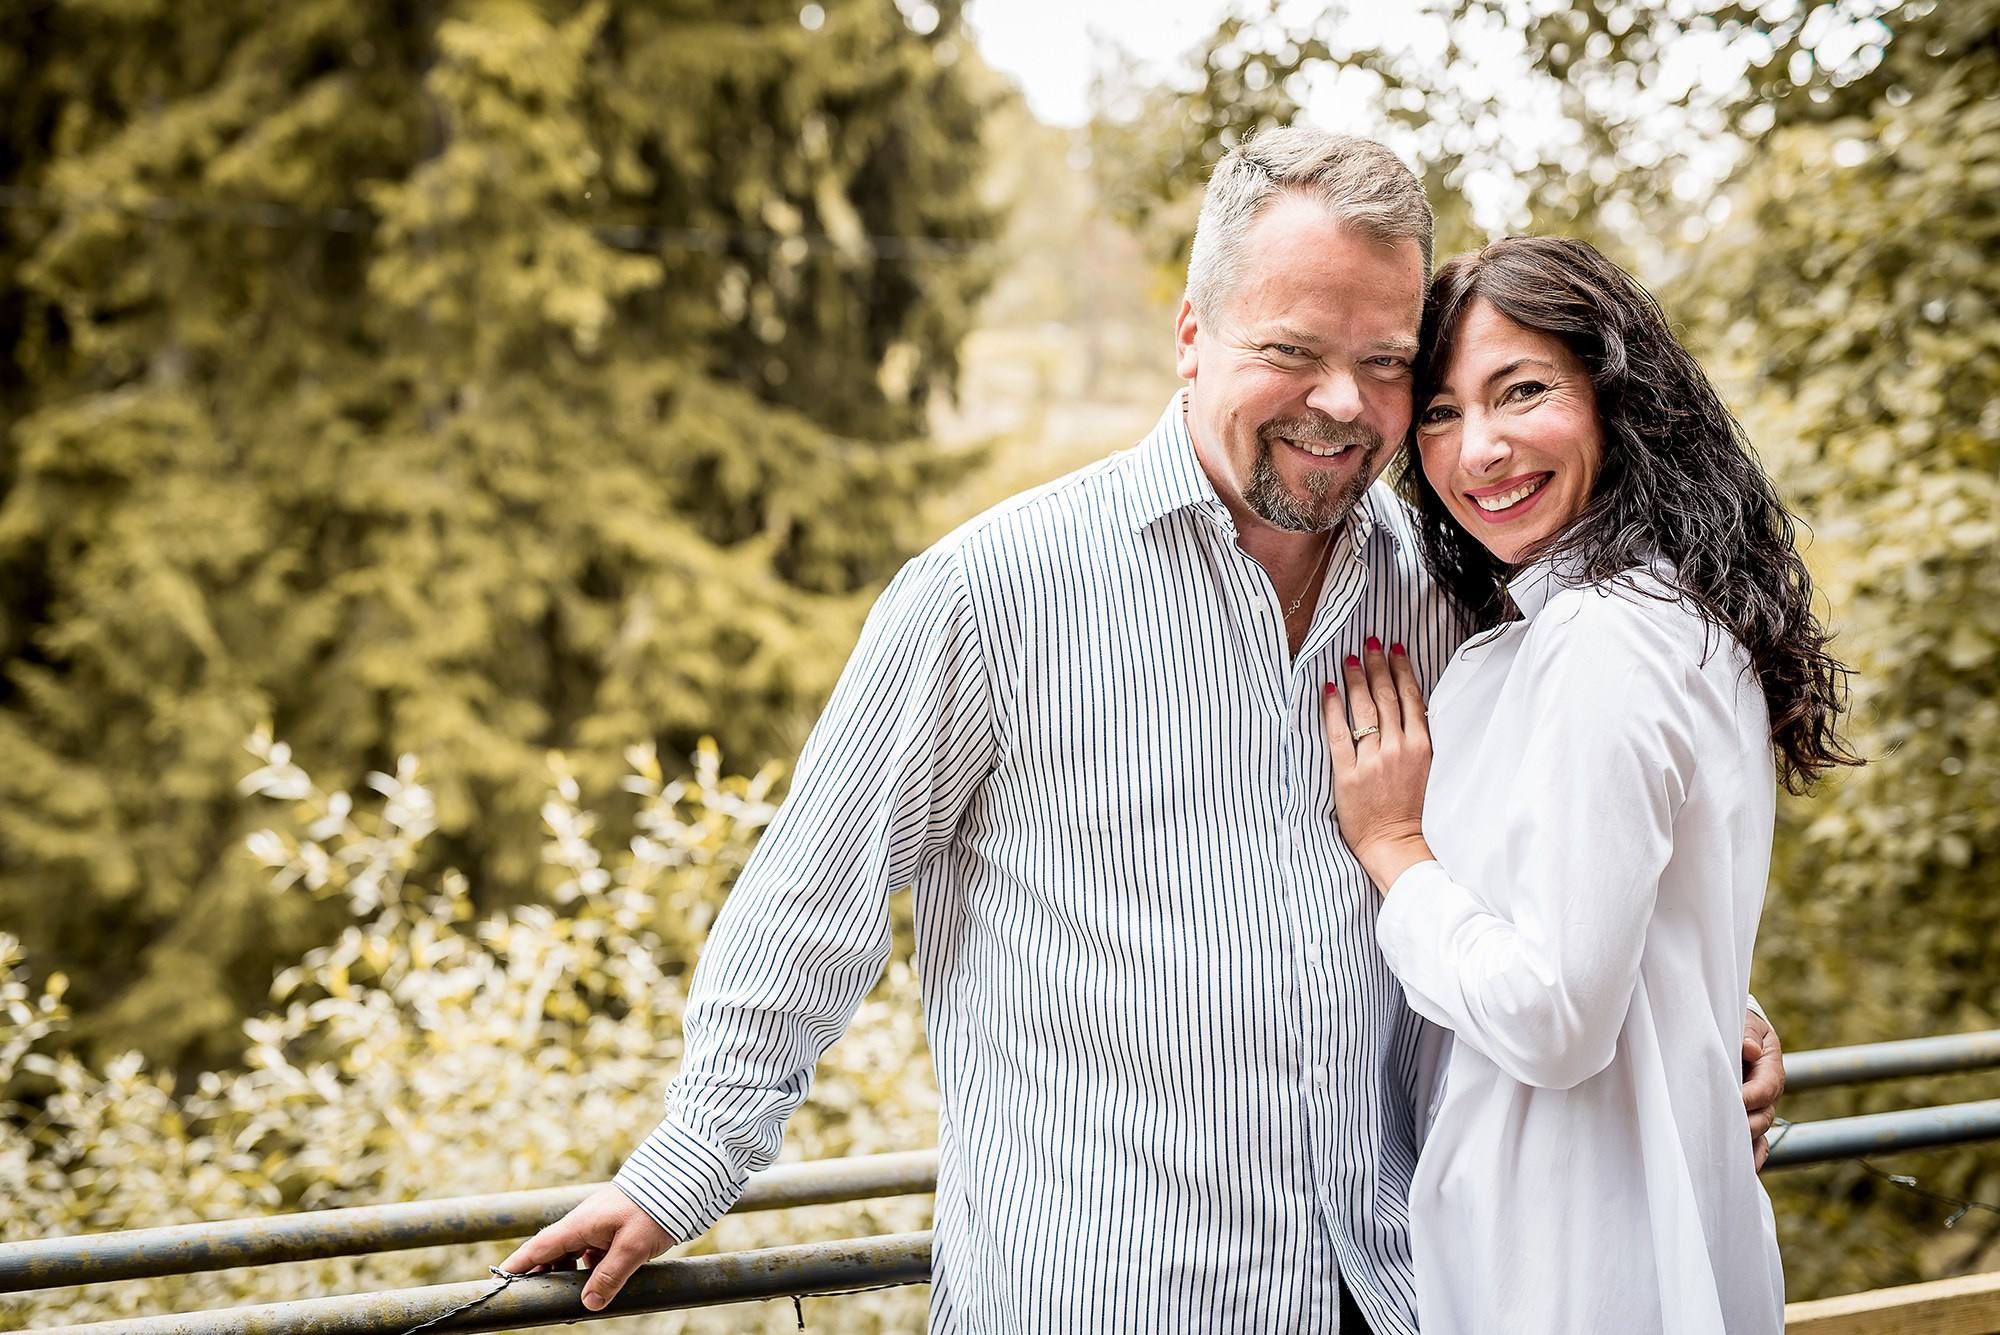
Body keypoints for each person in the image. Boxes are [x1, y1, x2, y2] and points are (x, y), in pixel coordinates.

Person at [503, 131, 1786, 1334]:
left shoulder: (1448, 592)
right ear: (1190, 335)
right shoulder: (991, 594)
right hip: (1105, 1296)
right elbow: (811, 901)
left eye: (1386, 362)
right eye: (1291, 349)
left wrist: (1693, 1013)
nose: (1341, 402)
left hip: (1390, 1292)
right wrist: (684, 1168)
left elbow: (1545, 859)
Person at [1322, 235, 1853, 1333]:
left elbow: (1557, 1018)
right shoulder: (1651, 614)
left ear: (1616, 397)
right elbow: (1630, 914)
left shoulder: (1600, 638)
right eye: (1440, 412)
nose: (1479, 449)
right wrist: (1724, 1016)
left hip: (1573, 1262)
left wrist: (1394, 851)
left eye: (1522, 391)